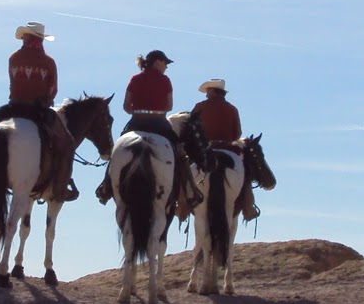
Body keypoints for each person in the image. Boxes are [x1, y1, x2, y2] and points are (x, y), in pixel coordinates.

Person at [96, 49, 196, 212]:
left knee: (117, 152)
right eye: (165, 63)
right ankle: (189, 190)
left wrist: (139, 110)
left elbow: (126, 106)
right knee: (180, 153)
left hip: (136, 121)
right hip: (159, 123)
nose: (166, 67)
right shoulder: (165, 80)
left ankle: (105, 187)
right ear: (157, 62)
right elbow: (169, 106)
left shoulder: (135, 79)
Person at [6, 21, 78, 201]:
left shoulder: (13, 58)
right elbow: (53, 89)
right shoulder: (48, 62)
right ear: (40, 40)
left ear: (25, 37)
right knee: (67, 142)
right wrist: (46, 101)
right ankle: (60, 188)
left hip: (14, 107)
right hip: (37, 110)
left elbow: (12, 83)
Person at [192, 78, 259, 221]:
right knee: (246, 172)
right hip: (228, 148)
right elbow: (237, 134)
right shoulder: (232, 109)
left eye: (208, 91)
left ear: (212, 91)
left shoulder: (199, 107)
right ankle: (249, 206)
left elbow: (191, 129)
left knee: (184, 169)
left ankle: (182, 203)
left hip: (205, 148)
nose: (206, 94)